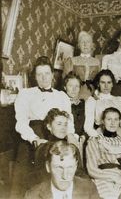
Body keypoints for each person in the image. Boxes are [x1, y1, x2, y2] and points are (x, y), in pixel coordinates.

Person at [12, 56, 76, 197]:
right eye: (39, 74)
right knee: (24, 173)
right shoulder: (25, 94)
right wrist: (34, 139)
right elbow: (21, 122)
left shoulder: (62, 96)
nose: (43, 77)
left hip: (57, 135)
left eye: (47, 73)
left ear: (52, 75)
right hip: (32, 135)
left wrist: (71, 136)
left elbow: (69, 122)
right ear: (34, 76)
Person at [86, 107, 121, 199]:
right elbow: (92, 169)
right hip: (103, 178)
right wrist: (114, 178)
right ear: (103, 121)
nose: (113, 123)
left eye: (116, 119)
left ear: (119, 121)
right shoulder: (95, 141)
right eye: (109, 119)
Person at [25, 140, 100, 199]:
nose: (65, 176)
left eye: (70, 167)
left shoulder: (89, 188)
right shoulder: (33, 196)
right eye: (59, 168)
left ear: (76, 166)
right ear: (48, 167)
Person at [84, 69, 121, 137]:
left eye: (109, 82)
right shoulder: (93, 101)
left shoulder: (118, 100)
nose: (106, 86)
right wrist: (99, 138)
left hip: (118, 134)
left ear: (112, 84)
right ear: (98, 84)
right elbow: (88, 126)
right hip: (100, 134)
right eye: (103, 82)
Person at [63, 31, 100, 100]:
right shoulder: (71, 60)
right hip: (76, 93)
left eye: (88, 42)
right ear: (79, 45)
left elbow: (101, 81)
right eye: (82, 42)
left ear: (92, 45)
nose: (85, 44)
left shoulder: (97, 62)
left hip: (93, 94)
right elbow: (66, 80)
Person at [63, 72, 85, 136]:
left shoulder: (84, 104)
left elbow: (87, 125)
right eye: (70, 86)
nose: (74, 89)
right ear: (65, 87)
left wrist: (84, 136)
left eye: (77, 86)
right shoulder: (62, 103)